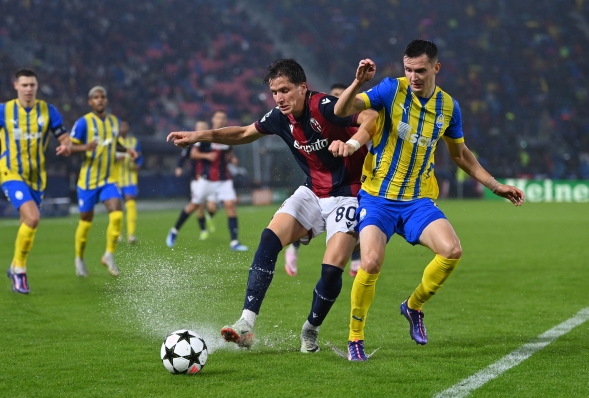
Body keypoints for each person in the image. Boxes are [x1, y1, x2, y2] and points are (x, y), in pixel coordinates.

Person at [168, 59, 379, 353]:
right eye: (274, 92)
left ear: (303, 88)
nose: (279, 98)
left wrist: (353, 144)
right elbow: (242, 133)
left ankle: (311, 329)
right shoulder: (279, 117)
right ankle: (245, 323)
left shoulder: (325, 106)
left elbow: (370, 116)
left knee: (331, 270)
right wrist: (196, 137)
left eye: (285, 90)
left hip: (349, 193)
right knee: (268, 239)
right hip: (312, 191)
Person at [333, 39, 525, 360]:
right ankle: (355, 338)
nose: (413, 76)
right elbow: (341, 112)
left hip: (418, 201)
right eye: (408, 69)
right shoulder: (390, 89)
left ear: (436, 68)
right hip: (378, 197)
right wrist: (358, 83)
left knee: (451, 251)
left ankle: (413, 306)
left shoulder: (449, 107)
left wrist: (495, 185)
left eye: (420, 70)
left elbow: (460, 155)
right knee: (370, 262)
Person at [0, 68, 72, 294]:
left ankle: (15, 265)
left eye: (32, 85)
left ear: (37, 87)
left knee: (27, 223)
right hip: (11, 173)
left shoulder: (48, 111)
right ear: (15, 85)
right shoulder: (2, 110)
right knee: (33, 217)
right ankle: (19, 271)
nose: (28, 89)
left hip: (37, 178)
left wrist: (67, 146)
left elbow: (64, 136)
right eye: (24, 85)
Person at [284, 82, 363, 278]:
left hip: (352, 180)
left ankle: (354, 257)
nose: (338, 101)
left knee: (355, 221)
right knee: (306, 215)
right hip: (322, 180)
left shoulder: (357, 122)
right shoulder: (323, 118)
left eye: (342, 96)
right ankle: (293, 248)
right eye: (334, 96)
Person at [70, 86, 137, 277]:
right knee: (86, 221)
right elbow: (68, 147)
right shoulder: (83, 123)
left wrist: (127, 150)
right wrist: (85, 146)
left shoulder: (115, 122)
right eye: (95, 98)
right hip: (88, 181)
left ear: (106, 100)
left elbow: (115, 143)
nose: (99, 100)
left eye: (102, 97)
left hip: (109, 178)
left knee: (117, 213)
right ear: (90, 102)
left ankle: (109, 254)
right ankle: (79, 258)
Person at [166, 111, 248, 251]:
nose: (221, 120)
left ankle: (234, 242)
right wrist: (207, 155)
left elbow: (228, 153)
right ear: (213, 120)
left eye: (223, 118)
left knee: (230, 206)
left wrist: (232, 159)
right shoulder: (206, 136)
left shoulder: (227, 136)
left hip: (224, 179)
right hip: (207, 179)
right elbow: (193, 153)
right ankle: (174, 231)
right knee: (193, 206)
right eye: (218, 117)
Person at [174, 120, 218, 240]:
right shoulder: (191, 142)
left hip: (209, 178)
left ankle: (209, 216)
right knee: (199, 206)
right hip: (195, 178)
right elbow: (184, 156)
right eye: (198, 127)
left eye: (203, 127)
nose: (200, 129)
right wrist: (179, 167)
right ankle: (203, 230)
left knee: (212, 207)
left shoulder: (210, 143)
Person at [116, 120, 144, 244]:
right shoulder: (113, 141)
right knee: (118, 206)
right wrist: (116, 159)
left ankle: (131, 235)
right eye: (121, 125)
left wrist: (138, 165)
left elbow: (140, 157)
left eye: (125, 125)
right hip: (115, 178)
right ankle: (118, 233)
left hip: (130, 177)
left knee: (130, 203)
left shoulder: (134, 141)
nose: (123, 128)